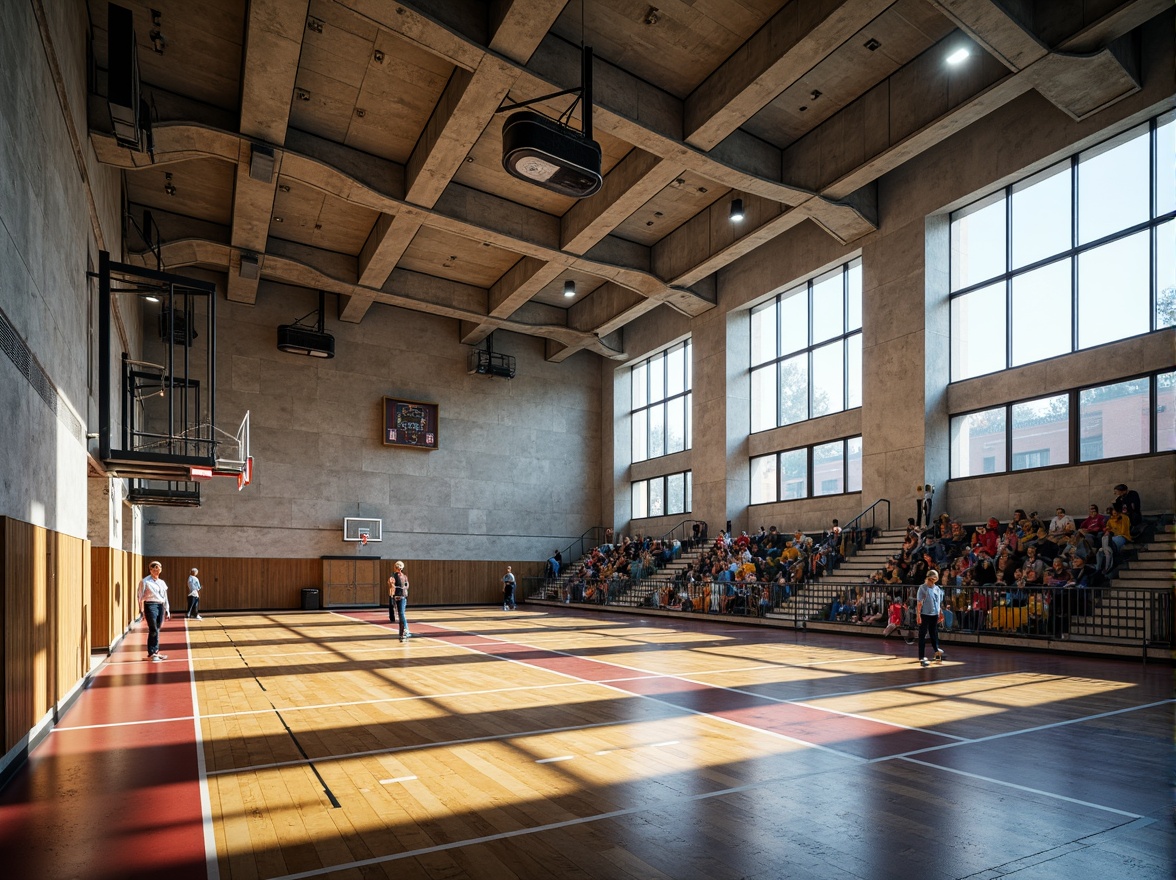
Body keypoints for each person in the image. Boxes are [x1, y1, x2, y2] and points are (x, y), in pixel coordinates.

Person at [137, 561, 171, 662]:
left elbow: (165, 597)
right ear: (150, 570)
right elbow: (139, 596)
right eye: (154, 569)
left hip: (160, 605)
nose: (157, 571)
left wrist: (167, 609)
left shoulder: (162, 582)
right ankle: (152, 652)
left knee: (157, 628)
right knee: (153, 629)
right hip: (150, 605)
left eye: (158, 569)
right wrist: (141, 610)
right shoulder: (145, 581)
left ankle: (155, 651)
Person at [916, 569, 945, 667]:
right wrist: (918, 615)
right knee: (922, 635)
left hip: (934, 614)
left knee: (934, 634)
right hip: (925, 614)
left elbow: (938, 602)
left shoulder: (937, 589)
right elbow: (919, 603)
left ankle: (937, 652)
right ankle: (921, 657)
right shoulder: (923, 588)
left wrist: (940, 612)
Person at [388, 561, 411, 641]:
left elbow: (405, 585)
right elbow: (406, 585)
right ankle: (403, 631)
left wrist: (395, 586)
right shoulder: (399, 576)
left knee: (401, 614)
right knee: (401, 614)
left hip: (401, 597)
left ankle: (405, 630)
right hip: (400, 596)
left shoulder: (398, 576)